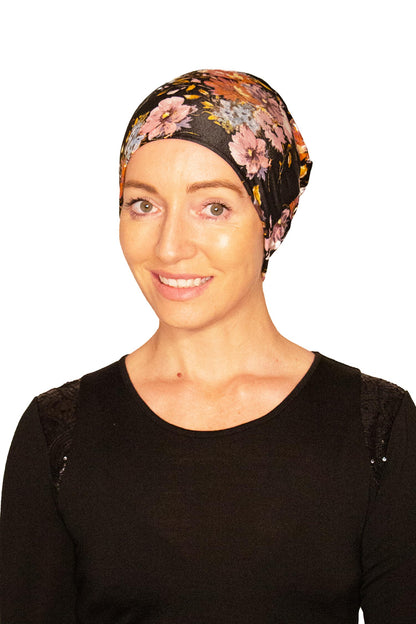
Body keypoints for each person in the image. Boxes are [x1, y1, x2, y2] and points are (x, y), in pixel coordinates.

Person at [1, 69, 415, 623]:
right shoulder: (58, 433)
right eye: (143, 204)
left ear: (271, 221)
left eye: (213, 207)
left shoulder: (376, 426)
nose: (170, 247)